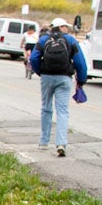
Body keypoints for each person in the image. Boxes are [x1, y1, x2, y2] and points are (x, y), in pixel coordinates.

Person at [30, 17, 88, 157]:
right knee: (62, 111)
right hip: (64, 78)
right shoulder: (70, 40)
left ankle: (44, 141)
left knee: (46, 108)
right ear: (61, 27)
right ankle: (61, 143)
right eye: (65, 26)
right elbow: (80, 62)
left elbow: (33, 58)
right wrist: (81, 80)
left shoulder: (44, 40)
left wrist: (40, 71)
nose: (67, 29)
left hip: (47, 77)